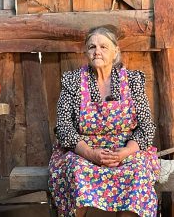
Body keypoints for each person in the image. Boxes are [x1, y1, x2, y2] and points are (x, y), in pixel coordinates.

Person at [48, 26, 160, 217]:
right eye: (92, 47)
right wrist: (90, 154)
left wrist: (124, 153)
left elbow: (146, 128)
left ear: (116, 51)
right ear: (86, 51)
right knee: (76, 171)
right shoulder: (73, 81)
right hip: (83, 152)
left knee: (138, 170)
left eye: (103, 46)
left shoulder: (132, 80)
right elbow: (64, 128)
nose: (97, 51)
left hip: (125, 152)